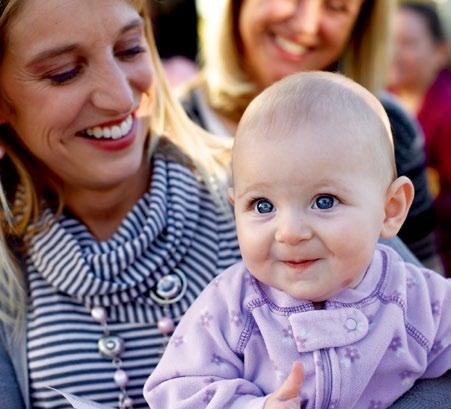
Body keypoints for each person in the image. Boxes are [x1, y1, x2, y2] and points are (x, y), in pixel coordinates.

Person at [144, 72, 451, 409]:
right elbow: (174, 391)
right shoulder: (233, 306)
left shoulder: (411, 296)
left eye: (324, 201)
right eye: (262, 206)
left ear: (390, 209)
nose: (289, 231)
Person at [0, 0, 242, 408]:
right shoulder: (10, 266)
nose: (118, 97)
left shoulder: (272, 192)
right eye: (65, 73)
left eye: (130, 49)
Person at [182, 0, 440, 272]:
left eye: (337, 6)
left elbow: (426, 283)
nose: (306, 25)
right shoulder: (167, 135)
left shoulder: (389, 128)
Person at [388, 1, 451, 277]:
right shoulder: (382, 102)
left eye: (408, 43)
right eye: (388, 41)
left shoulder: (446, 111)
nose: (393, 53)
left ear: (440, 52)